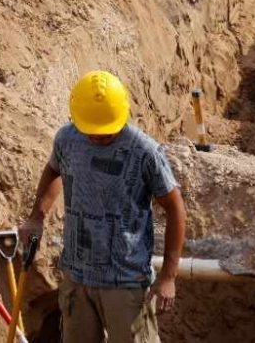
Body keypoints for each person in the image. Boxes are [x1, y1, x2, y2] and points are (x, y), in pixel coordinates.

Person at [21, 71, 186, 343]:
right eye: (93, 132)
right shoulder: (67, 139)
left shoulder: (144, 151)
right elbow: (53, 170)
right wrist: (36, 217)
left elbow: (175, 208)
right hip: (77, 278)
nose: (99, 138)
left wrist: (168, 276)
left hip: (126, 283)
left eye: (108, 133)